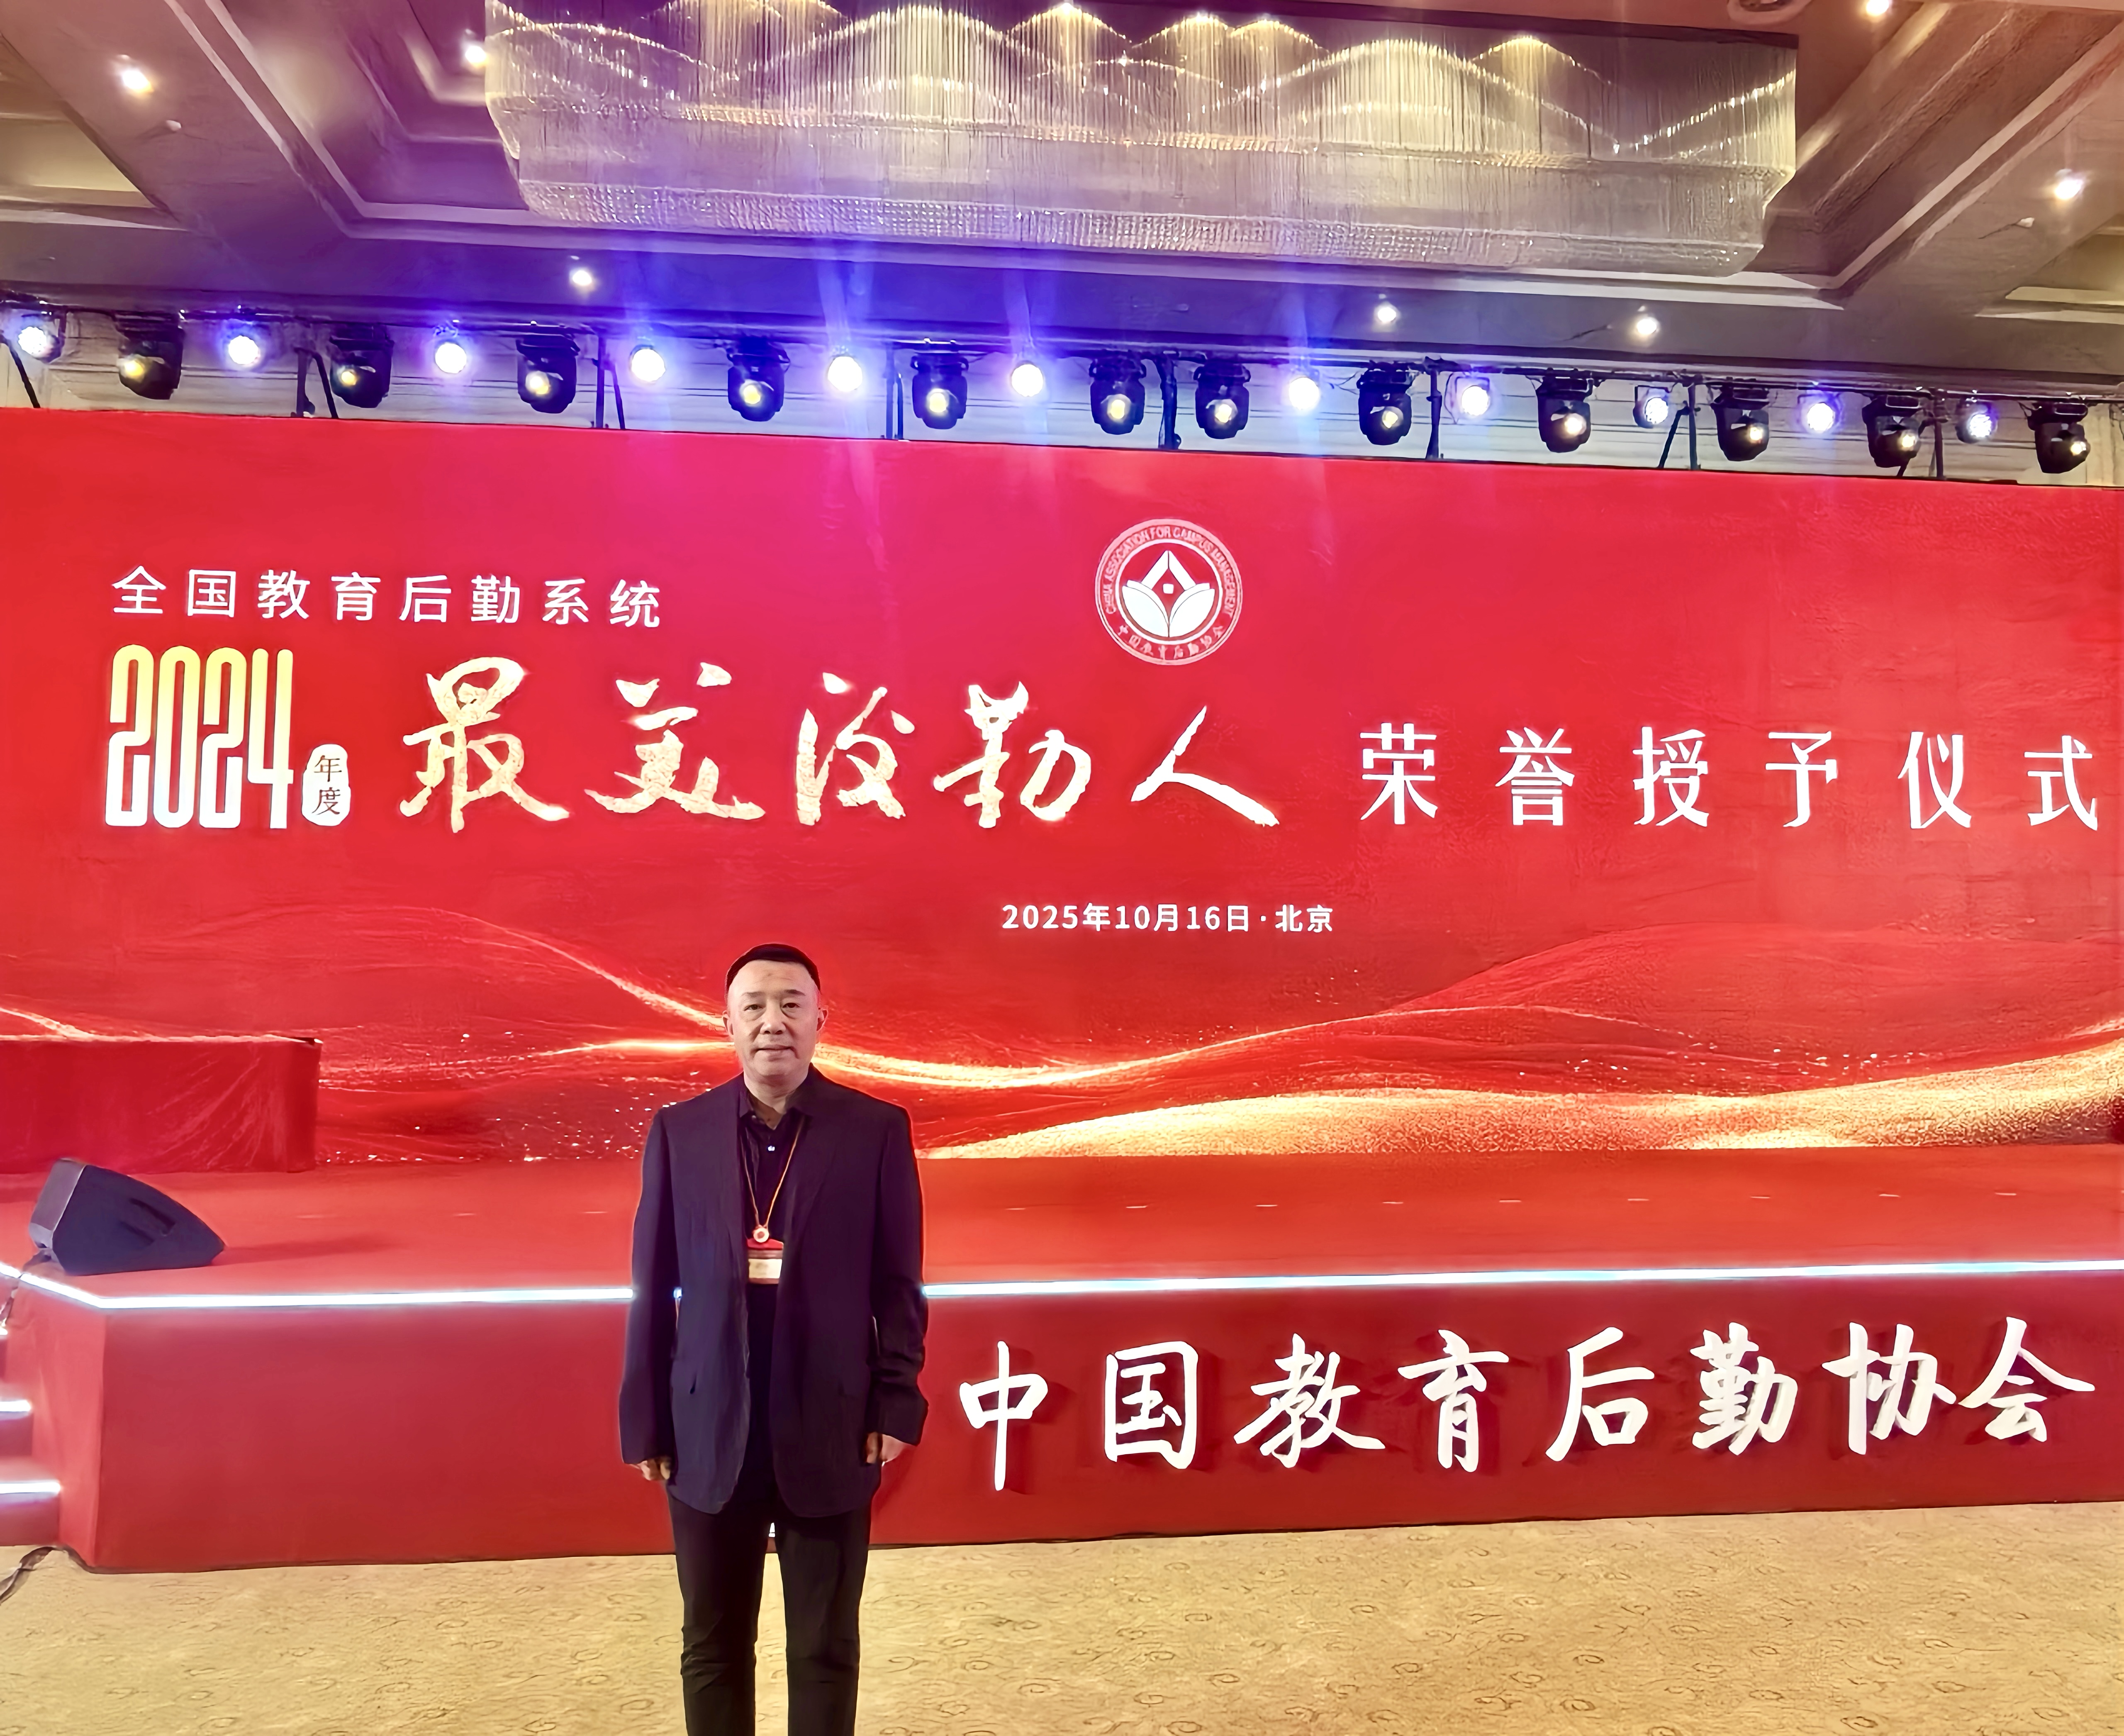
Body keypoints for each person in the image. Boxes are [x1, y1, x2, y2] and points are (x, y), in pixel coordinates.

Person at [620, 943, 927, 1736]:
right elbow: (653, 1287)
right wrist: (646, 1419)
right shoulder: (680, 1133)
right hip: (705, 1424)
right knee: (713, 1644)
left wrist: (897, 1400)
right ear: (726, 1024)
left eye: (792, 1004)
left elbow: (898, 1283)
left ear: (822, 1020)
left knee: (824, 1646)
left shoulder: (874, 1131)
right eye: (753, 1006)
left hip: (832, 1421)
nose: (773, 1022)